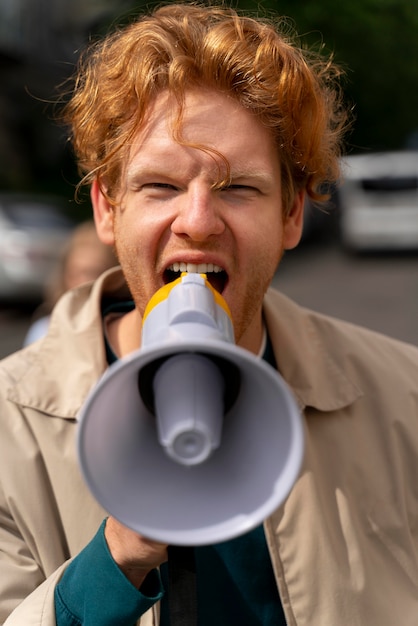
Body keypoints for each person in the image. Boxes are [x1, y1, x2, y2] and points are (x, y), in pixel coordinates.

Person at [0, 3, 417, 625]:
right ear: (107, 209)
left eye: (239, 188)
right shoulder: (11, 429)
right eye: (160, 187)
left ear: (292, 214)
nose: (197, 221)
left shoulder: (404, 400)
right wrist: (115, 561)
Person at [23, 220, 118, 345]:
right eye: (76, 273)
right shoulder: (43, 331)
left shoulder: (122, 332)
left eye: (93, 273)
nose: (83, 282)